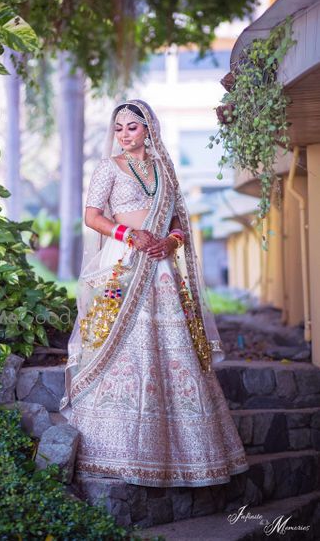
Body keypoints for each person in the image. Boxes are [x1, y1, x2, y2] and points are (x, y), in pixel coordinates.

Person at [59, 99, 249, 487]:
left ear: (149, 129)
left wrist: (172, 242)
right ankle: (112, 445)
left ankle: (187, 452)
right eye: (119, 128)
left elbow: (178, 219)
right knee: (120, 341)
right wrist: (130, 235)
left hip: (160, 265)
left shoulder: (165, 171)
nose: (124, 134)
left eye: (132, 127)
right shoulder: (106, 168)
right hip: (122, 262)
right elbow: (92, 216)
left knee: (169, 343)